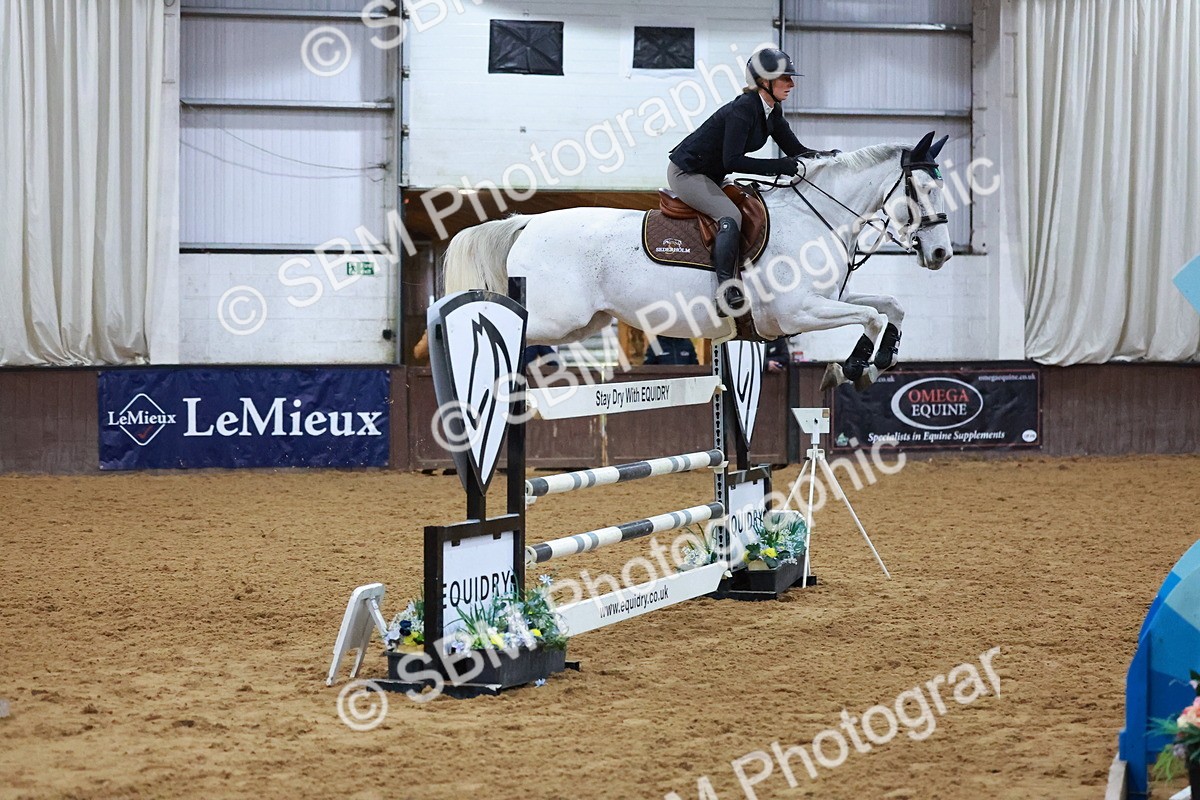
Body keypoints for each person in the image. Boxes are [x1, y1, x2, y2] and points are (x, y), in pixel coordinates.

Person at [667, 48, 837, 314]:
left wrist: (831, 159)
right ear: (764, 81)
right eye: (785, 78)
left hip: (712, 175)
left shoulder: (772, 112)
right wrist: (777, 167)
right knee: (730, 215)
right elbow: (732, 161)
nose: (792, 84)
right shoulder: (744, 109)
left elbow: (796, 151)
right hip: (687, 173)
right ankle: (726, 291)